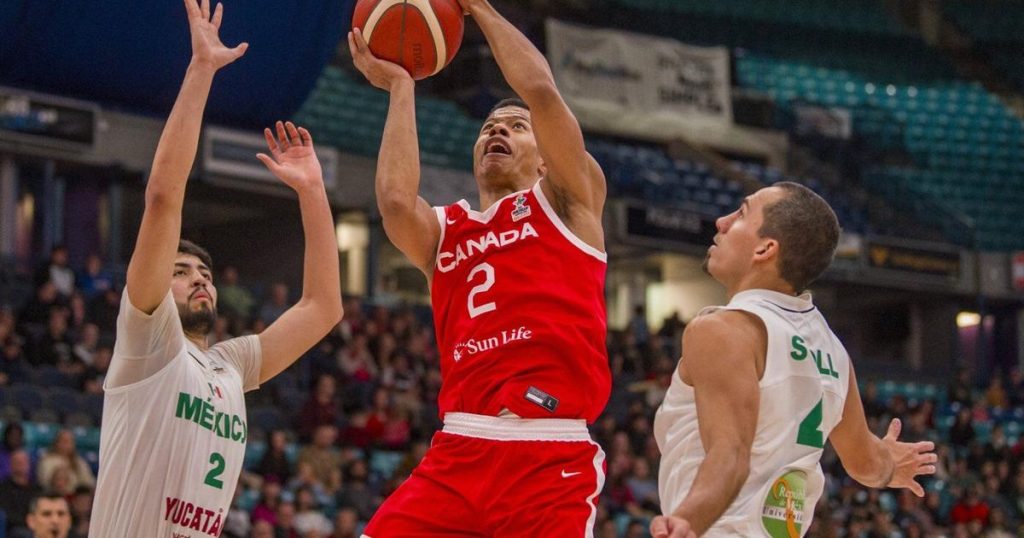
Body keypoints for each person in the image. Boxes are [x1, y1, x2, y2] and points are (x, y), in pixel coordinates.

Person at [349, 0, 610, 533]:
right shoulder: (447, 230)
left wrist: (480, 10)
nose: (498, 131)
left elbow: (541, 93)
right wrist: (402, 88)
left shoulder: (567, 201)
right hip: (459, 445)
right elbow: (398, 203)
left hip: (548, 447)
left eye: (516, 127)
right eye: (490, 125)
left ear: (545, 157)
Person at [88, 1, 342, 535]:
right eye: (181, 270)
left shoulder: (231, 366)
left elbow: (322, 308)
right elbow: (162, 197)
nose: (198, 276)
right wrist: (201, 70)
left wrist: (314, 193)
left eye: (202, 271)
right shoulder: (148, 340)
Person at [651, 183, 938, 537]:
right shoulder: (833, 350)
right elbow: (865, 463)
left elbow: (731, 452)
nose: (721, 222)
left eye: (740, 213)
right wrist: (890, 465)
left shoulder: (724, 330)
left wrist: (687, 521)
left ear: (765, 248)